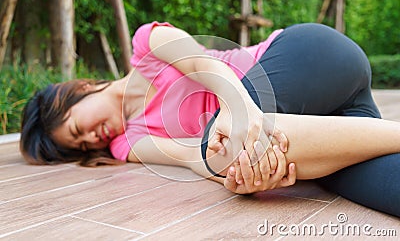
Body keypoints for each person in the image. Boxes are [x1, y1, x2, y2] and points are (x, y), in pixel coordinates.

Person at [20, 22, 400, 217]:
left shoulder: (145, 45)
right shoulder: (126, 144)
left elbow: (203, 65)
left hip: (313, 56)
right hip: (326, 125)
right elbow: (192, 158)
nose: (92, 137)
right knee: (380, 185)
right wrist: (241, 179)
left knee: (218, 140)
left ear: (78, 90)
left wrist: (242, 114)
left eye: (77, 127)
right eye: (83, 145)